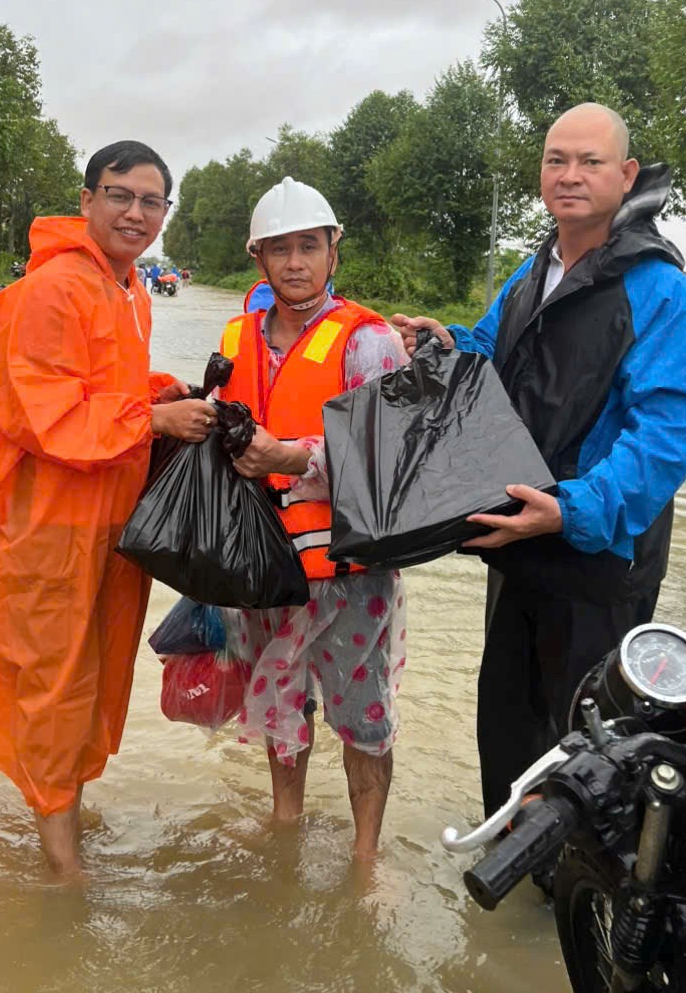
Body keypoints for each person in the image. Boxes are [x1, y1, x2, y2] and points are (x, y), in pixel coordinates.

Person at [393, 103, 686, 818]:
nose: (569, 176)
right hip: (517, 537)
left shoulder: (661, 291)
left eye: (589, 162)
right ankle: (516, 871)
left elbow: (670, 426)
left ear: (626, 176)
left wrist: (573, 509)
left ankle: (585, 899)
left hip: (598, 556)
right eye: (555, 160)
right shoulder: (533, 269)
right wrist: (444, 342)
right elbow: (489, 353)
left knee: (595, 744)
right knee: (508, 723)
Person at [0, 140, 217, 878]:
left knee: (94, 671)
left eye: (150, 200)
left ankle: (65, 819)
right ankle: (63, 872)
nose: (134, 211)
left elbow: (101, 378)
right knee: (55, 680)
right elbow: (45, 410)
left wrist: (160, 392)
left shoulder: (128, 287)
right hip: (52, 523)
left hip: (109, 517)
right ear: (86, 200)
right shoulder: (55, 287)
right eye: (119, 194)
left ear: (164, 215)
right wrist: (153, 422)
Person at [215, 177, 408, 860]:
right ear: (258, 259)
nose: (294, 262)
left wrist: (293, 460)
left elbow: (389, 458)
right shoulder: (235, 337)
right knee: (280, 706)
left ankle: (365, 860)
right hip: (262, 567)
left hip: (347, 571)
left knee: (362, 718)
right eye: (279, 250)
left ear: (333, 252)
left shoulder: (371, 342)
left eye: (308, 247)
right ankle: (285, 823)